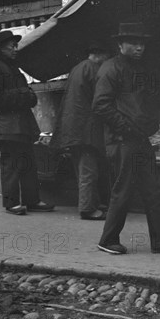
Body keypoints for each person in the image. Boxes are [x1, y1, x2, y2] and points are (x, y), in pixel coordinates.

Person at [92, 22, 160, 255]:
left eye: (142, 43)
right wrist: (127, 128)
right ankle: (108, 240)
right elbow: (100, 106)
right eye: (133, 43)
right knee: (123, 190)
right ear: (120, 44)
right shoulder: (110, 69)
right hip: (122, 140)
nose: (139, 47)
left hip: (139, 139)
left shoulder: (138, 68)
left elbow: (142, 103)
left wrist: (149, 124)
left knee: (154, 190)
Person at [0, 30, 54, 215]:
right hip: (6, 126)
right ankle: (11, 203)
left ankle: (32, 200)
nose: (15, 49)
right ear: (0, 49)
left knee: (28, 162)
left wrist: (26, 95)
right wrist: (23, 95)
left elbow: (27, 94)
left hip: (20, 125)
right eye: (11, 46)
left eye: (15, 46)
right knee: (11, 164)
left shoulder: (13, 69)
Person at [51, 41, 110, 220]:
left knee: (82, 169)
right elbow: (100, 100)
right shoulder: (94, 70)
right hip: (86, 129)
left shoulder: (78, 68)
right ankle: (87, 208)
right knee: (88, 170)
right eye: (107, 56)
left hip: (73, 128)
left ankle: (91, 202)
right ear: (99, 54)